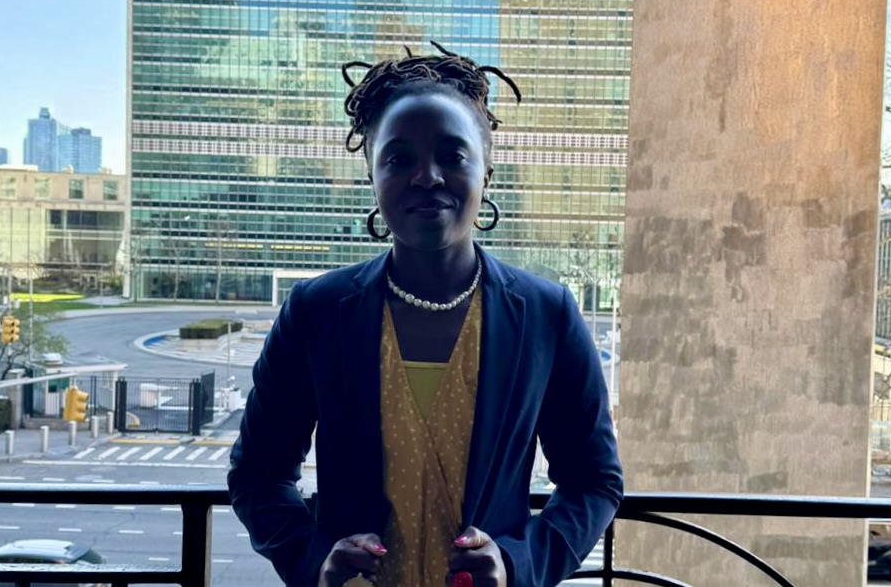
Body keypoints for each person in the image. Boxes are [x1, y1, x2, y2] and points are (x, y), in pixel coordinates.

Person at [229, 43, 623, 587]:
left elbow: (594, 481)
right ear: (372, 175)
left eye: (452, 155)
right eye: (399, 159)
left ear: (487, 171)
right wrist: (312, 558)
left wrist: (518, 563)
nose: (426, 176)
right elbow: (257, 474)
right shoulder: (316, 313)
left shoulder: (545, 316)